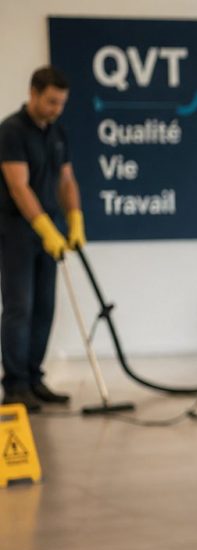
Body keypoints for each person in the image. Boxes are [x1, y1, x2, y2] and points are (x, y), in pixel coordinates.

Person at [0, 65, 86, 411]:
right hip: (16, 231)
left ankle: (34, 379)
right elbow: (18, 187)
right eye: (51, 101)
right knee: (20, 308)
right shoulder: (11, 132)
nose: (55, 109)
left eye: (61, 103)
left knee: (44, 309)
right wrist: (45, 228)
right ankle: (15, 385)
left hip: (47, 229)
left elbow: (67, 180)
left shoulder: (57, 132)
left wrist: (74, 219)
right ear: (33, 93)